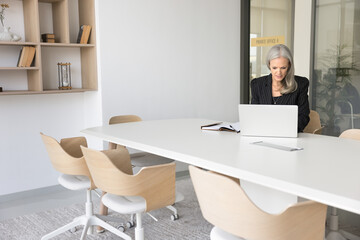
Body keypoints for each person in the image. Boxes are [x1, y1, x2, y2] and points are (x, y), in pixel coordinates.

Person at [250, 44, 310, 132]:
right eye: (274, 68)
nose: (278, 72)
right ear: (269, 65)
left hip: (289, 135)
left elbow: (303, 117)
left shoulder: (301, 84)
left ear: (289, 65)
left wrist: (284, 130)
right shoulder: (257, 84)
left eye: (283, 68)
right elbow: (254, 115)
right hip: (263, 134)